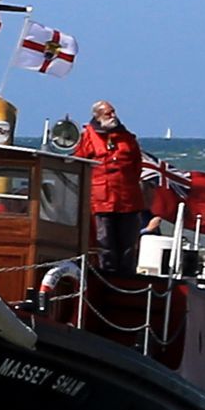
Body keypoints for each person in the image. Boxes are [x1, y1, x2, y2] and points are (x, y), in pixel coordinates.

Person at [74, 98, 149, 278]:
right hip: (101, 200)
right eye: (109, 113)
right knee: (105, 243)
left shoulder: (127, 138)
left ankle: (127, 278)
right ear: (98, 116)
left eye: (114, 112)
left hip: (128, 199)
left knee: (128, 244)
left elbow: (136, 166)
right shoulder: (87, 137)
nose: (113, 116)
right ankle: (107, 277)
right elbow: (79, 165)